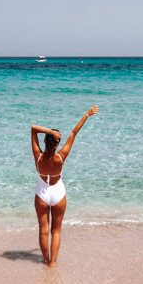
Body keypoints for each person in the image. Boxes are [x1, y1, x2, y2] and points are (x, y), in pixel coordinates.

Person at [31, 106, 99, 267]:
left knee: (43, 230)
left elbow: (33, 128)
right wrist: (86, 115)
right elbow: (74, 132)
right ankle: (52, 264)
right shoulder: (61, 156)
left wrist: (50, 131)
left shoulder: (37, 156)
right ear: (57, 142)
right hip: (58, 194)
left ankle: (45, 259)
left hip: (42, 193)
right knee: (56, 230)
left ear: (45, 140)